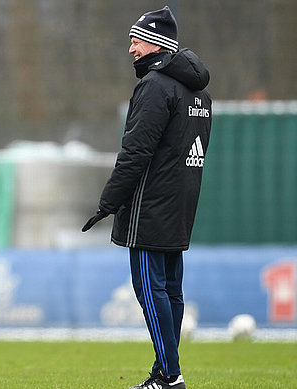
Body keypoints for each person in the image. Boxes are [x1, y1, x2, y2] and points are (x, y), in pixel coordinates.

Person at [82, 6, 211, 389]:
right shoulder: (199, 91)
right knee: (171, 289)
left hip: (150, 206)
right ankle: (164, 370)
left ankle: (170, 376)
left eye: (136, 41)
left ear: (155, 44)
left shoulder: (155, 87)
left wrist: (108, 202)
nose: (131, 50)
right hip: (181, 204)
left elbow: (135, 152)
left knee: (149, 290)